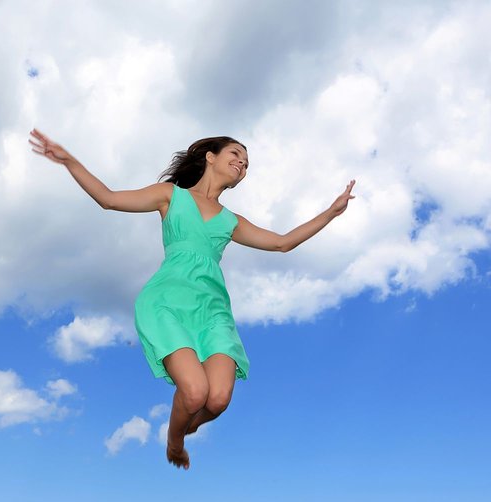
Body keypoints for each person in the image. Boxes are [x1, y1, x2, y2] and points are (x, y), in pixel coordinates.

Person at [29, 129, 356, 470]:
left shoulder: (231, 221)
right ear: (210, 157)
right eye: (235, 154)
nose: (242, 164)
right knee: (196, 391)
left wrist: (331, 212)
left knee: (218, 399)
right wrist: (69, 161)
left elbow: (282, 243)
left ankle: (186, 424)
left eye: (246, 164)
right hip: (167, 303)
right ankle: (175, 442)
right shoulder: (170, 196)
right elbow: (108, 199)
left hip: (213, 312)